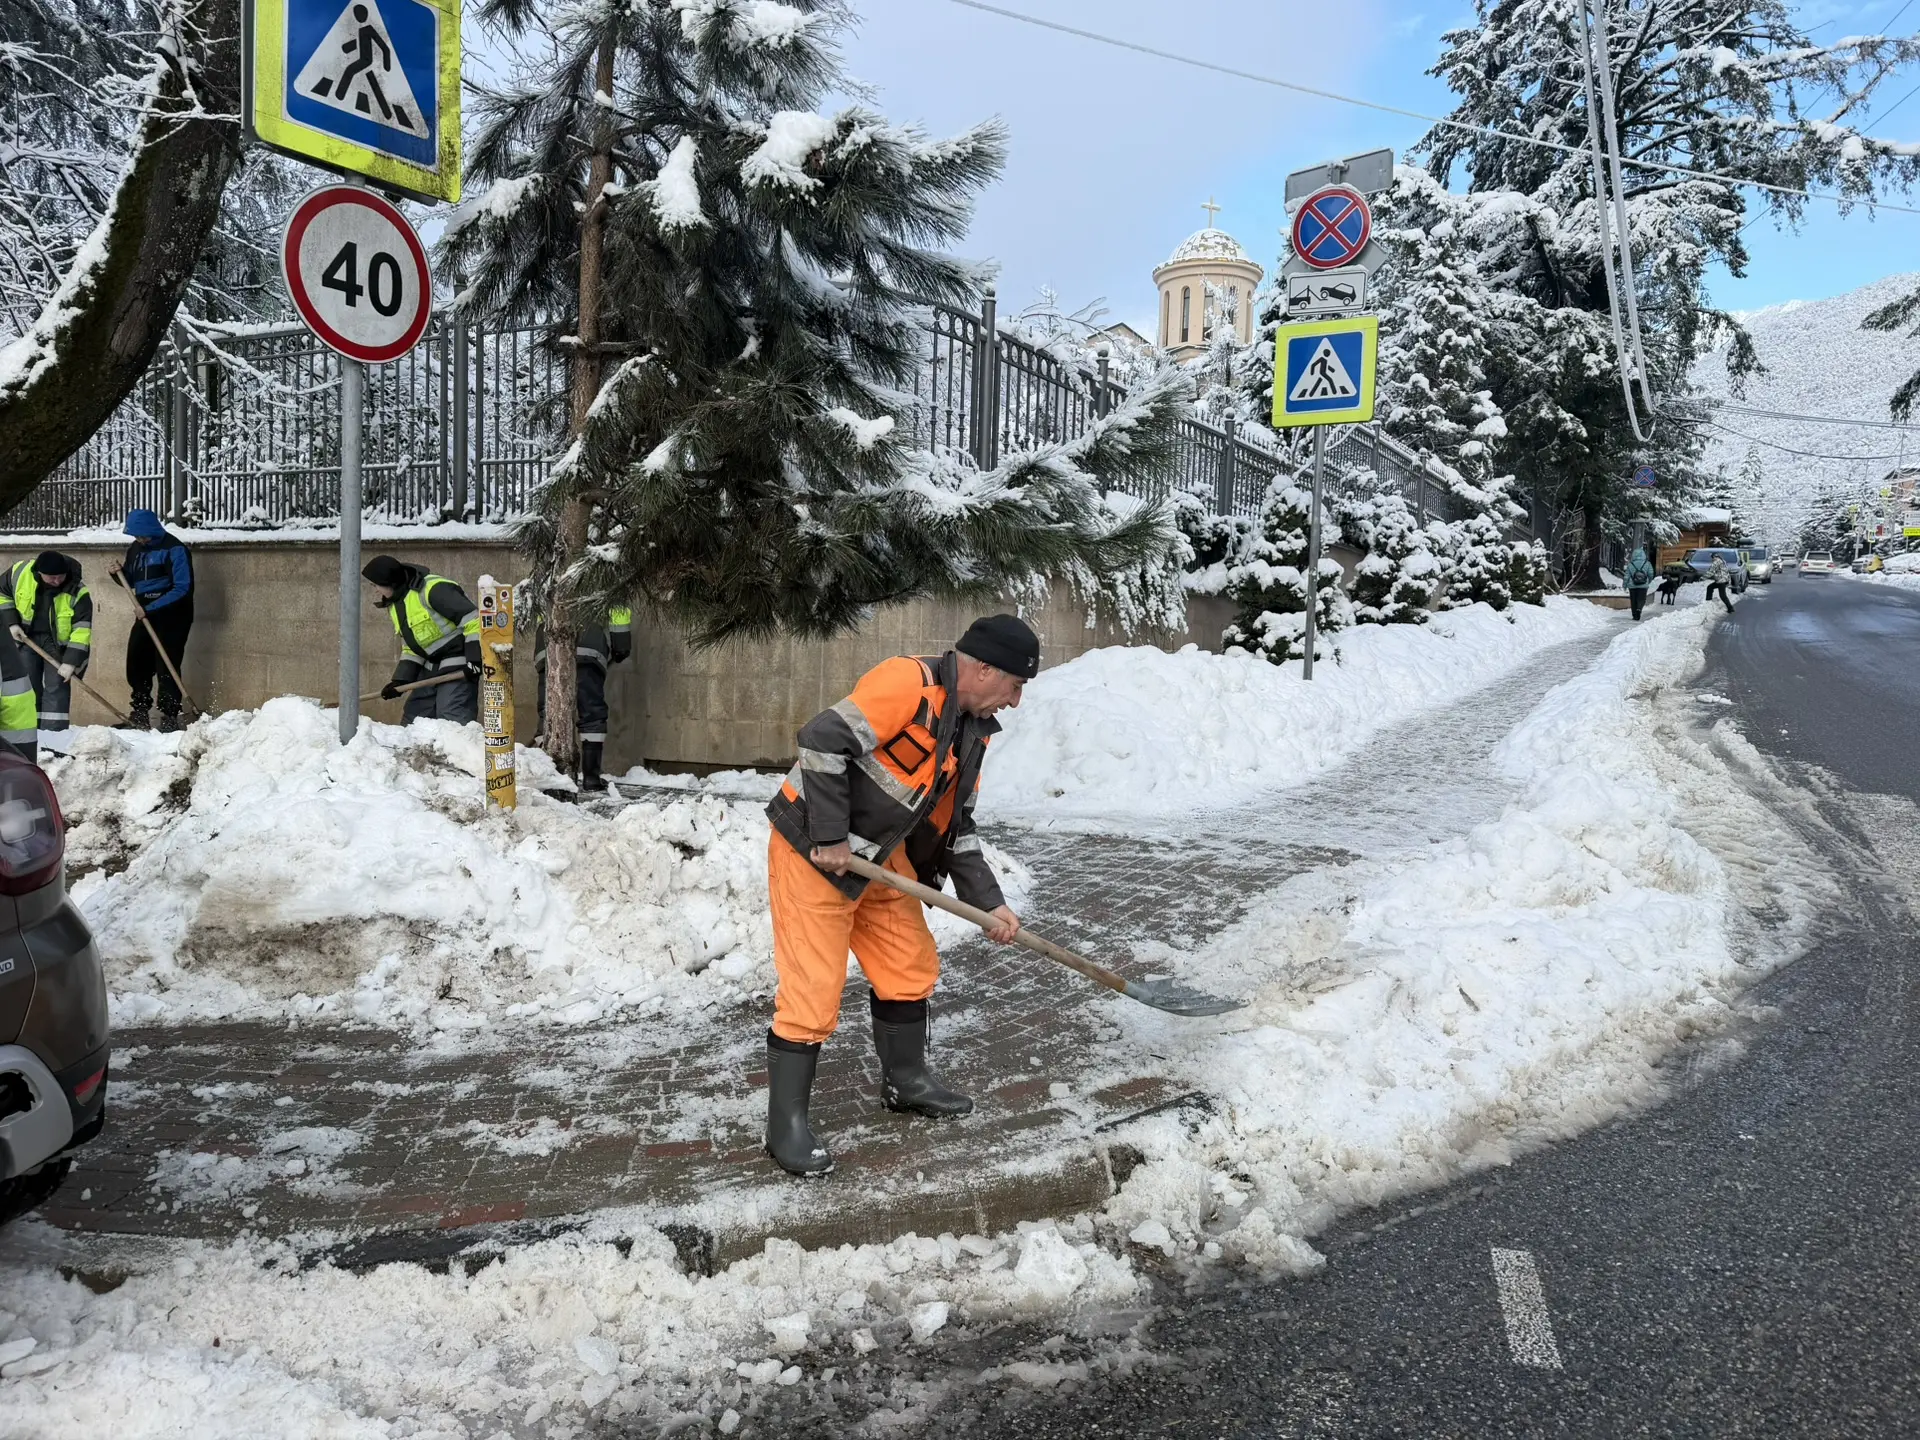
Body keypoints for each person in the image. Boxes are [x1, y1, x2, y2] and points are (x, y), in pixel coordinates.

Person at [760, 614, 1038, 1177]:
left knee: (909, 966)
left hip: (880, 860)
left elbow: (956, 827)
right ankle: (784, 1126)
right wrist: (829, 836)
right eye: (1015, 685)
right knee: (813, 991)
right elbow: (821, 739)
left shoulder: (972, 731)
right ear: (985, 669)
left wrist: (989, 903)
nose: (1015, 701)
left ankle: (905, 1081)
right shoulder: (907, 684)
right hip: (814, 853)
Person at [361, 557, 482, 723]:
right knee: (414, 718)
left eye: (376, 585)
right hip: (430, 668)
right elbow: (412, 647)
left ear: (390, 582)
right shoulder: (396, 604)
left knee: (451, 717)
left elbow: (474, 619)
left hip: (458, 663)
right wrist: (400, 681)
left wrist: (475, 659)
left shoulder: (433, 589)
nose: (375, 591)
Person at [0, 552, 92, 756]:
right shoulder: (19, 573)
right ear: (39, 572)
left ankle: (54, 739)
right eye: (51, 577)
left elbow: (82, 629)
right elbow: (2, 594)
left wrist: (71, 662)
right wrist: (11, 623)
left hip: (58, 645)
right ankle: (31, 735)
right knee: (26, 687)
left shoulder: (78, 591)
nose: (57, 581)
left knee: (56, 687)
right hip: (26, 638)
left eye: (60, 576)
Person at [535, 604, 633, 791]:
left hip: (549, 652)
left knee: (547, 712)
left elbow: (538, 613)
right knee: (592, 713)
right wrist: (621, 646)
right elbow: (618, 609)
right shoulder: (600, 583)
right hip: (588, 651)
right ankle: (591, 778)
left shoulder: (546, 584)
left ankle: (551, 776)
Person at [112, 509, 194, 731]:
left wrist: (151, 608)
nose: (140, 539)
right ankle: (139, 713)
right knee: (137, 662)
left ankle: (169, 716)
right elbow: (131, 581)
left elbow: (182, 588)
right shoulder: (135, 549)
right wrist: (118, 574)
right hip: (145, 613)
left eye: (143, 536)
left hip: (173, 615)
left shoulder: (174, 549)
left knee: (166, 665)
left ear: (152, 530)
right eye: (136, 536)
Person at [1623, 547, 1656, 621]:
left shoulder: (1630, 564)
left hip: (1632, 586)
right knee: (1642, 599)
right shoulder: (1647, 564)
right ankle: (1639, 609)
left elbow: (1626, 576)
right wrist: (1649, 581)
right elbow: (1651, 573)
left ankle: (1634, 615)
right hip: (1643, 586)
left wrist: (1624, 585)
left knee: (1633, 600)